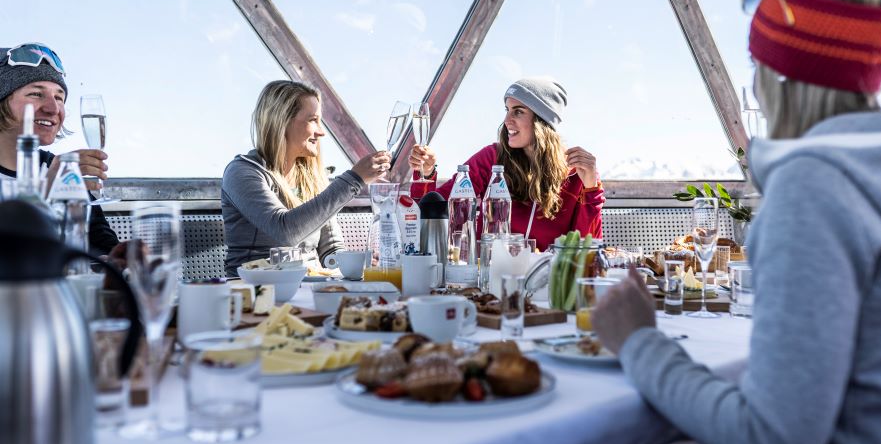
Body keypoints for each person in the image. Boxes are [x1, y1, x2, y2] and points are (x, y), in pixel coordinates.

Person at [592, 0, 881, 444]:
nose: (753, 86)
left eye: (757, 64)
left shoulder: (813, 190)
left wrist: (637, 342)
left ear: (780, 76)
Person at [408, 77, 604, 252]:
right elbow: (435, 207)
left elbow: (587, 249)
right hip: (484, 278)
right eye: (507, 110)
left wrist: (590, 189)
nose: (507, 121)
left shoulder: (576, 174)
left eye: (518, 112)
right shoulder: (492, 158)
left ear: (542, 122)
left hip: (542, 282)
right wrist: (426, 172)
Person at [222, 80, 391, 275]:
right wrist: (354, 180)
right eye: (313, 119)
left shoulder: (312, 176)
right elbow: (285, 231)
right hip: (255, 290)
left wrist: (358, 264)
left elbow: (330, 250)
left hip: (308, 286)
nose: (321, 132)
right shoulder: (242, 172)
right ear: (281, 121)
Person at [0, 43, 117, 257]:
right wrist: (44, 196)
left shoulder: (59, 169)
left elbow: (100, 243)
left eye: (59, 97)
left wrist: (119, 259)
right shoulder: (55, 174)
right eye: (36, 94)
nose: (53, 109)